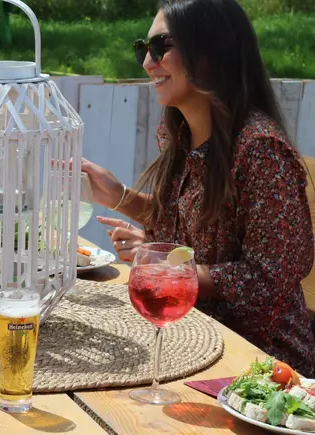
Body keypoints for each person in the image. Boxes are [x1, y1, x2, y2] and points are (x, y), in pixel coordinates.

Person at [84, 0, 315, 376]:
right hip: (192, 333)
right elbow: (189, 224)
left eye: (160, 47)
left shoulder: (261, 151)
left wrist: (166, 267)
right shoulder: (179, 134)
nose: (147, 63)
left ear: (210, 52)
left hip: (256, 362)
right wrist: (119, 196)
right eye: (143, 48)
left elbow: (266, 278)